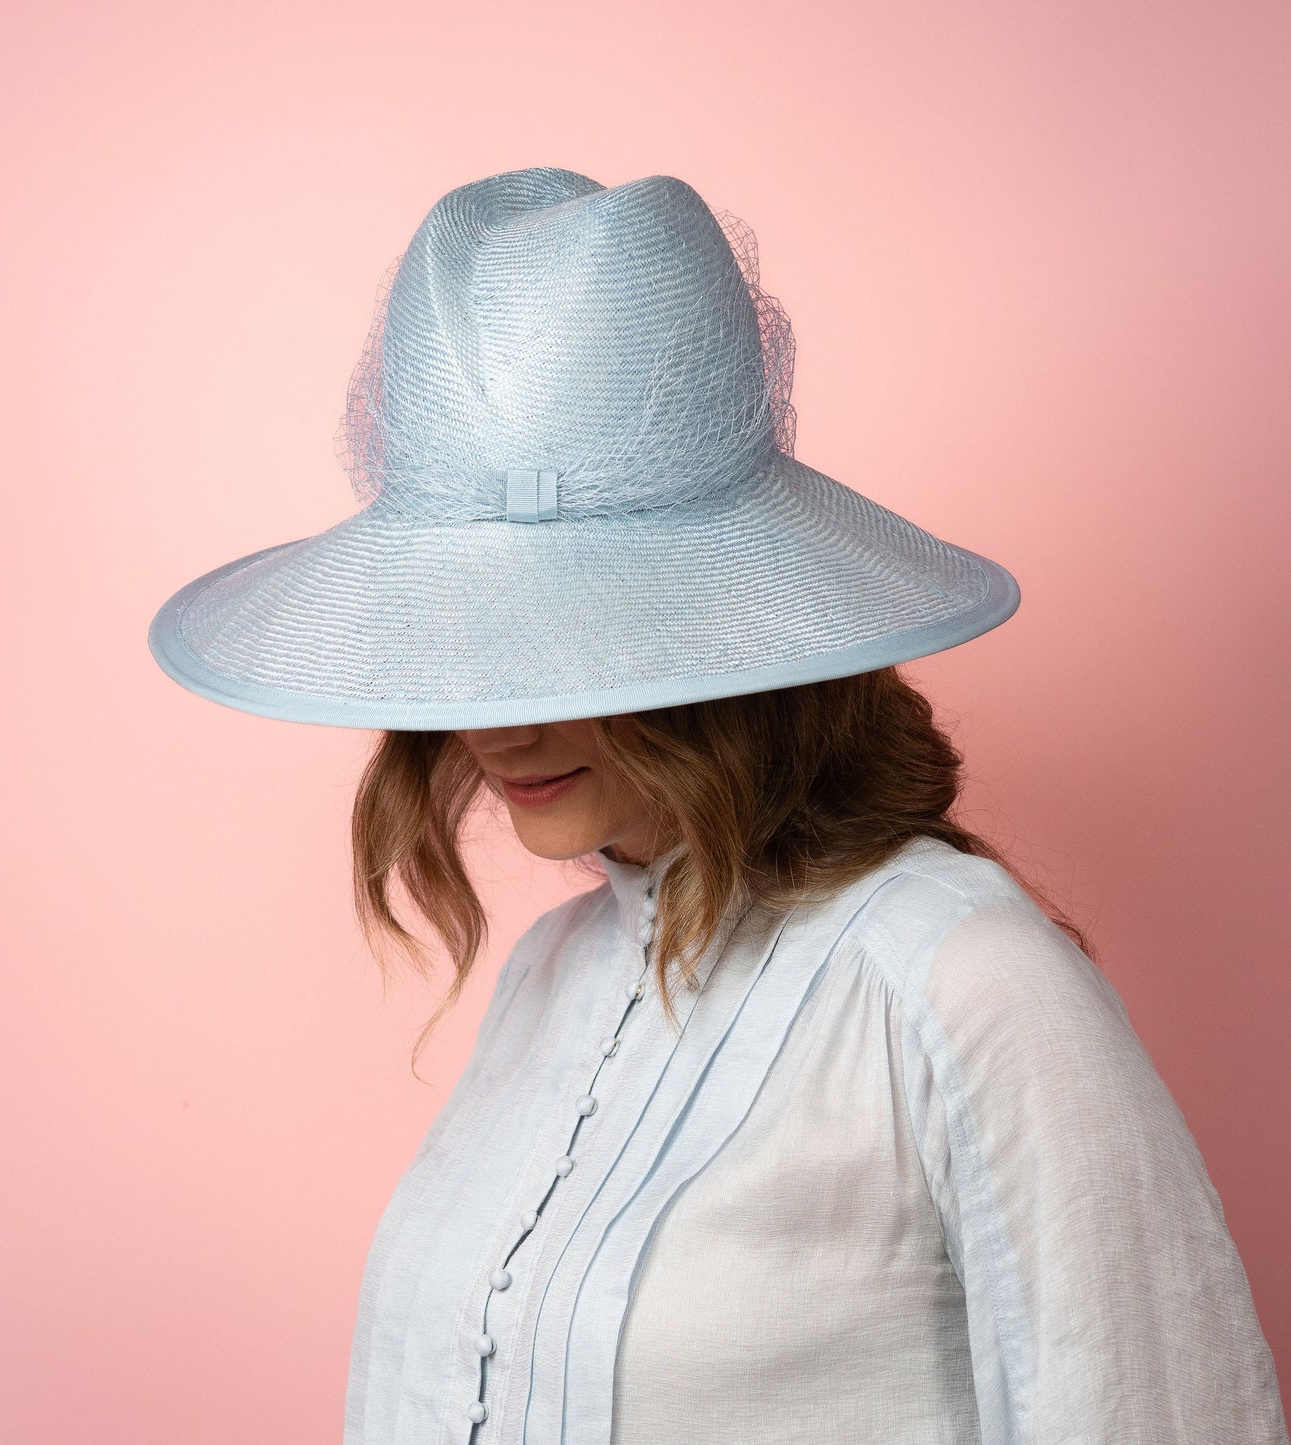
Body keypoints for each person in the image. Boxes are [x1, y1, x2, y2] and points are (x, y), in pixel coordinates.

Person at [148, 167, 1287, 1443]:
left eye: (572, 642)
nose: (496, 723)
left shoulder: (960, 982)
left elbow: (1161, 1411)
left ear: (732, 645)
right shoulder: (548, 975)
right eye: (466, 644)